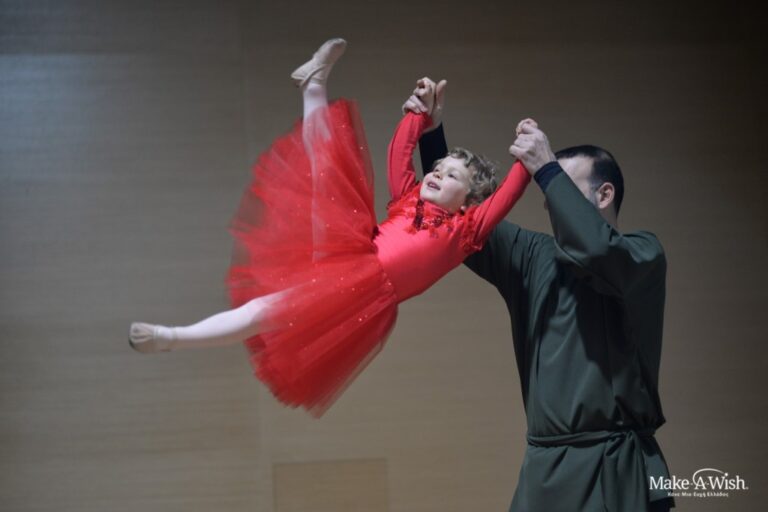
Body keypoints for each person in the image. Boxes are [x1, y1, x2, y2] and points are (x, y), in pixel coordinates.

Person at [128, 39, 531, 417]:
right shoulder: (408, 197)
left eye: (452, 175)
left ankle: (170, 338)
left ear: (470, 201)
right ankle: (313, 85)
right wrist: (417, 117)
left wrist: (527, 160)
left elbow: (506, 197)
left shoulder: (467, 232)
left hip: (361, 292)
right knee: (327, 169)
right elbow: (399, 154)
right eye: (438, 167)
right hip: (351, 250)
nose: (438, 173)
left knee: (264, 312)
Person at [405, 79, 674, 511]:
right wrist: (432, 132)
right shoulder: (533, 256)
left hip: (615, 467)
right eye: (549, 192)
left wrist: (547, 170)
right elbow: (459, 217)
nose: (551, 201)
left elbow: (597, 249)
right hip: (544, 469)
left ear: (604, 194)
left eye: (561, 186)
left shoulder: (643, 254)